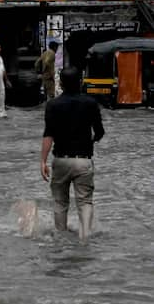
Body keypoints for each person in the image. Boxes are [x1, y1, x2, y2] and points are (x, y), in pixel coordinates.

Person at [40, 66, 104, 243]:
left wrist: (42, 161)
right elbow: (99, 132)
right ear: (81, 82)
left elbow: (48, 134)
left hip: (60, 160)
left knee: (60, 202)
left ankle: (60, 238)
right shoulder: (91, 103)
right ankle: (85, 238)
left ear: (61, 83)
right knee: (84, 202)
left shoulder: (52, 105)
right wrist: (90, 141)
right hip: (83, 161)